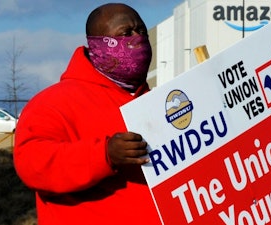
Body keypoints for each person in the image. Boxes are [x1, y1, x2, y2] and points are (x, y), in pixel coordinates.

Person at [13, 3, 162, 225]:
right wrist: (104, 154)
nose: (137, 39)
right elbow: (32, 164)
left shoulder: (158, 103)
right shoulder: (52, 103)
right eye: (125, 33)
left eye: (141, 31)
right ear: (97, 45)